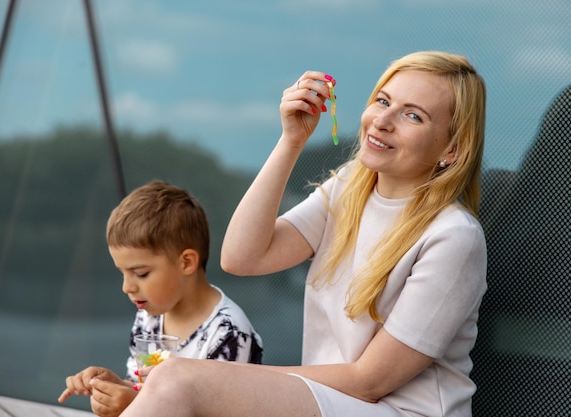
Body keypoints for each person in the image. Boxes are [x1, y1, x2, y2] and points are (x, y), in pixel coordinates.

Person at [120, 50, 487, 417]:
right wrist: (291, 141)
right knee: (180, 381)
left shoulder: (454, 237)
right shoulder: (348, 192)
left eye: (413, 115)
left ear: (451, 149)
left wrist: (221, 379)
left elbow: (369, 382)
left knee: (180, 379)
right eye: (382, 101)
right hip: (330, 403)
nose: (383, 121)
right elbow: (242, 258)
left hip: (397, 411)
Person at [57, 180, 263, 417]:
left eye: (141, 273)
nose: (126, 287)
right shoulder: (148, 318)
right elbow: (142, 387)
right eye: (122, 273)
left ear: (186, 262)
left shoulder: (229, 334)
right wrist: (112, 386)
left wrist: (135, 405)